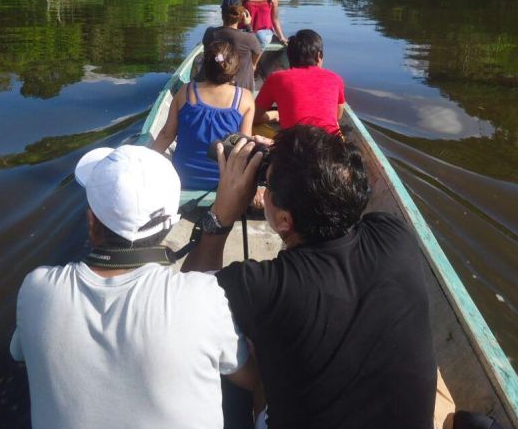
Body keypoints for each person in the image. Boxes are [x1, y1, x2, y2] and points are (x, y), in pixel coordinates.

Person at [182, 126, 438, 429]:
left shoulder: (260, 287)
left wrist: (223, 212)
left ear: (284, 221)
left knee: (224, 363)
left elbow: (180, 309)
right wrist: (293, 162)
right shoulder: (395, 235)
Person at [10, 144, 258, 429]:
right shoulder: (202, 297)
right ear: (170, 226)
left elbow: (18, 354)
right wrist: (220, 220)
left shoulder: (36, 289)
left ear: (92, 222)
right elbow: (250, 377)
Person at [153, 40, 254, 189]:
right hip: (223, 184)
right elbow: (244, 147)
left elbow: (166, 136)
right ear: (235, 69)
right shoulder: (245, 98)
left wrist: (143, 160)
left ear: (204, 67)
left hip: (182, 179)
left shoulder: (185, 92)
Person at [254, 28, 344, 135]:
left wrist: (275, 115)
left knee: (251, 125)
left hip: (293, 147)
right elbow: (337, 115)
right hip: (330, 146)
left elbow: (254, 117)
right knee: (337, 127)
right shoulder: (335, 78)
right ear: (319, 56)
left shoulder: (276, 78)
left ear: (289, 57)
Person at [202, 0, 263, 91]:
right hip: (242, 87)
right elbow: (258, 52)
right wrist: (253, 66)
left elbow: (206, 52)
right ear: (242, 16)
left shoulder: (210, 32)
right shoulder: (248, 37)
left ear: (222, 14)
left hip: (214, 83)